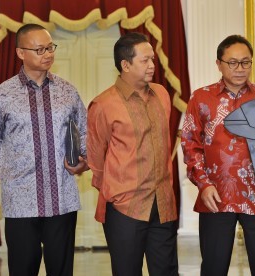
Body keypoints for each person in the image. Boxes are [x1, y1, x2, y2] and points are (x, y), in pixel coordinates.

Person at [181, 34, 255, 276]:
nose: (240, 69)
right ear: (219, 64)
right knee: (214, 267)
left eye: (246, 62)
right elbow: (190, 145)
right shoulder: (201, 97)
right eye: (232, 62)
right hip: (215, 195)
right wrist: (202, 184)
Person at [0, 23, 88, 275]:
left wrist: (82, 160)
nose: (48, 54)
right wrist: (12, 164)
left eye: (50, 47)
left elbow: (83, 130)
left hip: (62, 198)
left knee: (61, 269)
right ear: (20, 53)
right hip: (20, 200)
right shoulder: (2, 94)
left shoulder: (67, 91)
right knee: (22, 268)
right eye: (40, 50)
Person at [86, 32, 178, 276]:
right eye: (145, 61)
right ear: (125, 65)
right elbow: (96, 159)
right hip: (125, 207)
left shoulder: (162, 94)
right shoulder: (103, 104)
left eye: (153, 60)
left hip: (164, 203)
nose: (152, 66)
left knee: (167, 271)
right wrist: (116, 192)